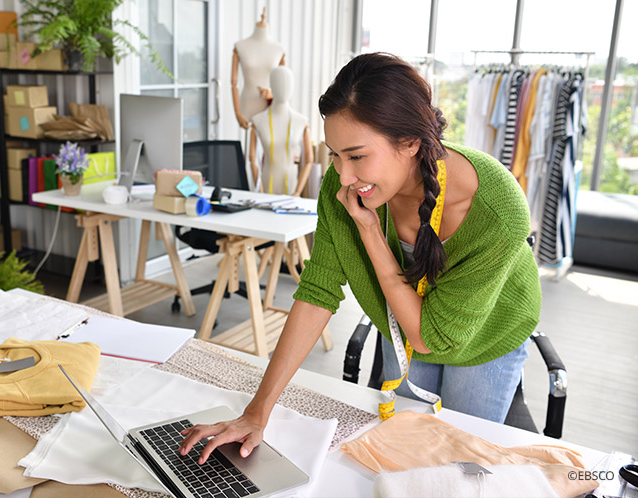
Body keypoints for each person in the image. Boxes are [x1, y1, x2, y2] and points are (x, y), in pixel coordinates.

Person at [179, 52, 542, 464]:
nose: (342, 175)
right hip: (404, 327)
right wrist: (256, 413)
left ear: (410, 143)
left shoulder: (496, 210)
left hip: (484, 339)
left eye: (356, 155)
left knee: (463, 467)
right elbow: (317, 291)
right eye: (334, 154)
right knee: (405, 456)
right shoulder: (347, 184)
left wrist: (371, 233)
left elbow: (431, 337)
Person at [249, 66, 313, 196]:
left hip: (292, 187)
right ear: (272, 85)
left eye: (287, 84)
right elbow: (252, 158)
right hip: (266, 186)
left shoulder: (301, 121)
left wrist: (298, 191)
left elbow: (309, 160)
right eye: (278, 84)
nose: (283, 88)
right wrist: (259, 190)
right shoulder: (258, 121)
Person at [231, 9, 286, 129]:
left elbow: (283, 84)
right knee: (248, 142)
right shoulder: (240, 46)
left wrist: (271, 93)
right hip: (247, 105)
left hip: (270, 106)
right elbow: (234, 83)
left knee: (269, 143)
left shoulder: (279, 49)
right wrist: (238, 113)